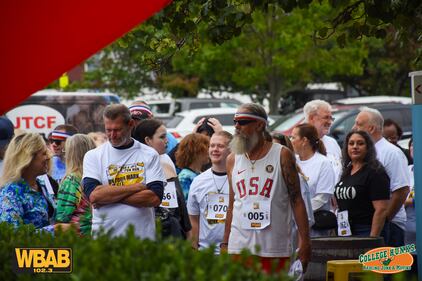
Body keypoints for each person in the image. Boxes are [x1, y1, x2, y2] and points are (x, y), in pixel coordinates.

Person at [222, 103, 311, 274]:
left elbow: (297, 200)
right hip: (239, 247)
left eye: (243, 122)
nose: (237, 127)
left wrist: (305, 243)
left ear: (260, 125)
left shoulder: (282, 154)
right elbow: (232, 205)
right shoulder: (232, 159)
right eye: (235, 122)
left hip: (274, 247)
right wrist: (225, 243)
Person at [82, 104, 166, 238]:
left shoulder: (149, 154)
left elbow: (154, 198)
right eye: (108, 130)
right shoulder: (93, 156)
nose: (112, 135)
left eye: (117, 130)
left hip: (142, 240)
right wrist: (138, 187)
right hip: (105, 240)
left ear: (131, 124)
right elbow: (94, 196)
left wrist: (108, 197)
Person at [353, 107, 410, 247]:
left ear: (371, 128)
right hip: (363, 225)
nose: (354, 128)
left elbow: (402, 190)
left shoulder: (391, 153)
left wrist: (385, 219)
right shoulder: (361, 152)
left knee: (386, 268)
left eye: (358, 124)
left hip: (390, 225)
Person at [132, 118, 192, 239]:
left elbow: (179, 202)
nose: (167, 141)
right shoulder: (135, 168)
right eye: (162, 137)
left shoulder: (166, 160)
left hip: (174, 231)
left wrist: (187, 230)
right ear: (148, 140)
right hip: (150, 231)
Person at [334, 131, 390, 237]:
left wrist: (372, 239)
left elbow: (381, 209)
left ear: (368, 147)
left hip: (366, 229)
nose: (355, 147)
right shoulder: (347, 170)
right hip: (346, 228)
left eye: (360, 143)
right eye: (351, 143)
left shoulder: (375, 171)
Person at [187, 131, 233, 254]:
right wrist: (193, 248)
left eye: (220, 146)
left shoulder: (239, 179)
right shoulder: (198, 181)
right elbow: (193, 219)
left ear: (231, 150)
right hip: (205, 252)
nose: (215, 149)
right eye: (212, 146)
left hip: (234, 251)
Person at [0, 133, 56, 232]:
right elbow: (13, 235)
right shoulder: (11, 193)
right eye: (44, 153)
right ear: (28, 158)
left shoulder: (41, 185)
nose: (49, 156)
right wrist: (55, 230)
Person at [291, 123, 336, 237]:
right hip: (292, 226)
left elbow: (322, 198)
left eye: (294, 137)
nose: (291, 141)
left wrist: (299, 213)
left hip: (314, 229)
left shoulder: (323, 163)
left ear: (304, 140)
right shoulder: (292, 161)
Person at [55, 134, 96, 236]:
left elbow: (62, 216)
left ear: (71, 154)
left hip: (77, 237)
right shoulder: (95, 176)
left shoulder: (72, 180)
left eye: (66, 151)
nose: (65, 155)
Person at [304, 100, 342, 181]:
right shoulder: (298, 143)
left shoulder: (332, 143)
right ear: (311, 118)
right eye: (326, 117)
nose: (329, 122)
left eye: (331, 118)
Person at [176, 133, 210, 200]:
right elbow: (187, 204)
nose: (209, 151)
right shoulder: (184, 178)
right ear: (197, 151)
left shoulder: (198, 173)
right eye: (207, 148)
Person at [404, 138, 417, 277]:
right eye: (411, 145)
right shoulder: (407, 170)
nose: (414, 148)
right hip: (405, 231)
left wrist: (406, 201)